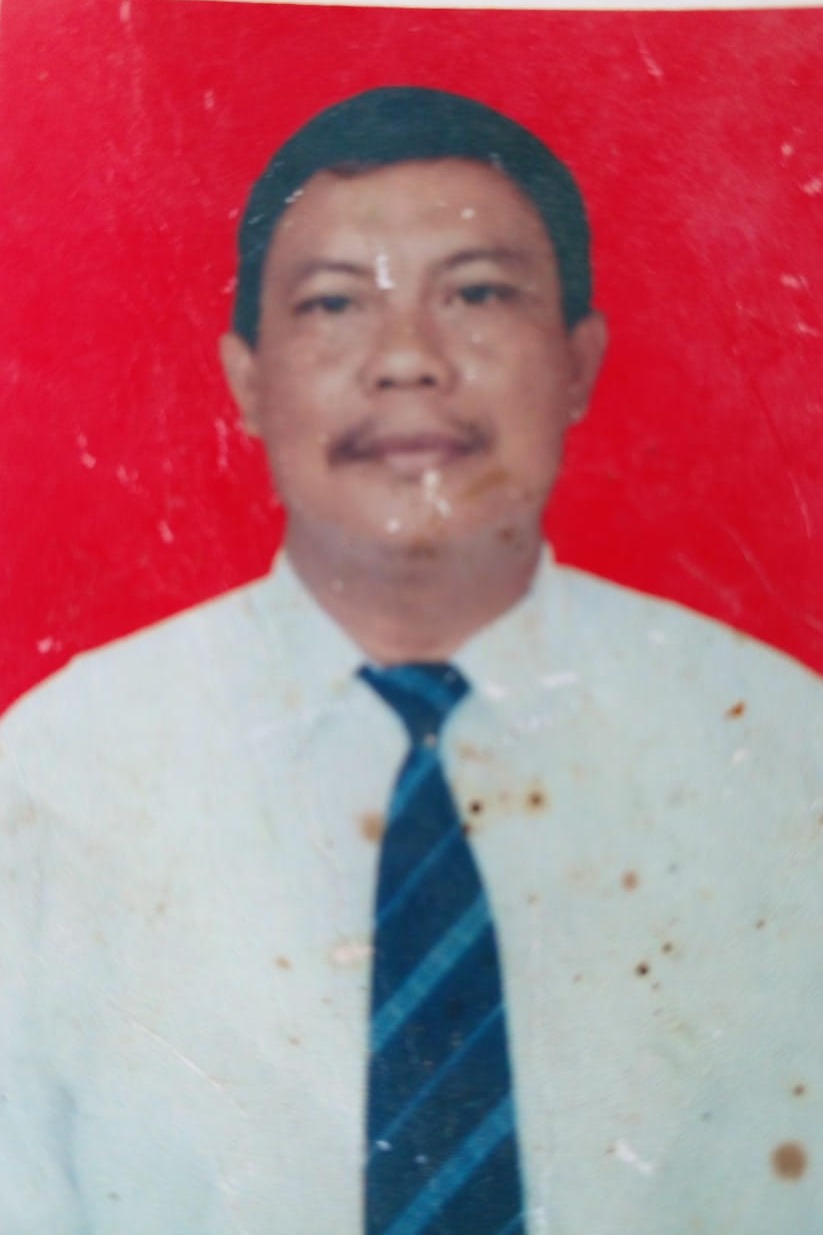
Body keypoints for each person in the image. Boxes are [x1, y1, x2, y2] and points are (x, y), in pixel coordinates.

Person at [0, 87, 820, 1235]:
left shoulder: (777, 750)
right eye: (336, 303)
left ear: (578, 363)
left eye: (475, 294)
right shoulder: (58, 772)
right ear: (246, 381)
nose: (407, 361)